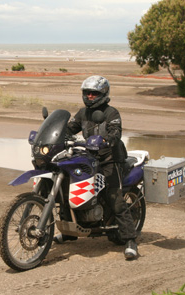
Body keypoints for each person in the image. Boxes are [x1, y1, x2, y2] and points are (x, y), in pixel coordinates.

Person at [54, 75, 139, 260]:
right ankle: (70, 231)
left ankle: (130, 240)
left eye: (94, 93)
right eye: (87, 93)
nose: (90, 96)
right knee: (68, 188)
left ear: (103, 94)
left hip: (110, 159)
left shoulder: (111, 113)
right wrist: (57, 134)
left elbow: (115, 133)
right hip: (90, 157)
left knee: (114, 196)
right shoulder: (83, 113)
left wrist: (106, 140)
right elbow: (70, 128)